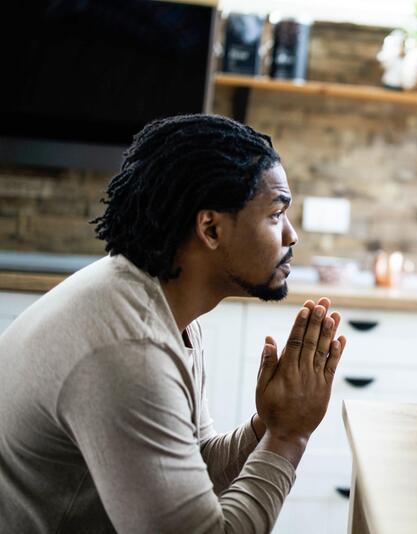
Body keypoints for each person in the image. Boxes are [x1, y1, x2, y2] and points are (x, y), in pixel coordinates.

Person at [0, 114, 348, 532]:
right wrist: (289, 436)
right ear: (211, 228)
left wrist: (266, 427)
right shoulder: (130, 347)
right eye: (276, 214)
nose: (291, 235)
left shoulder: (161, 304)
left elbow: (194, 465)